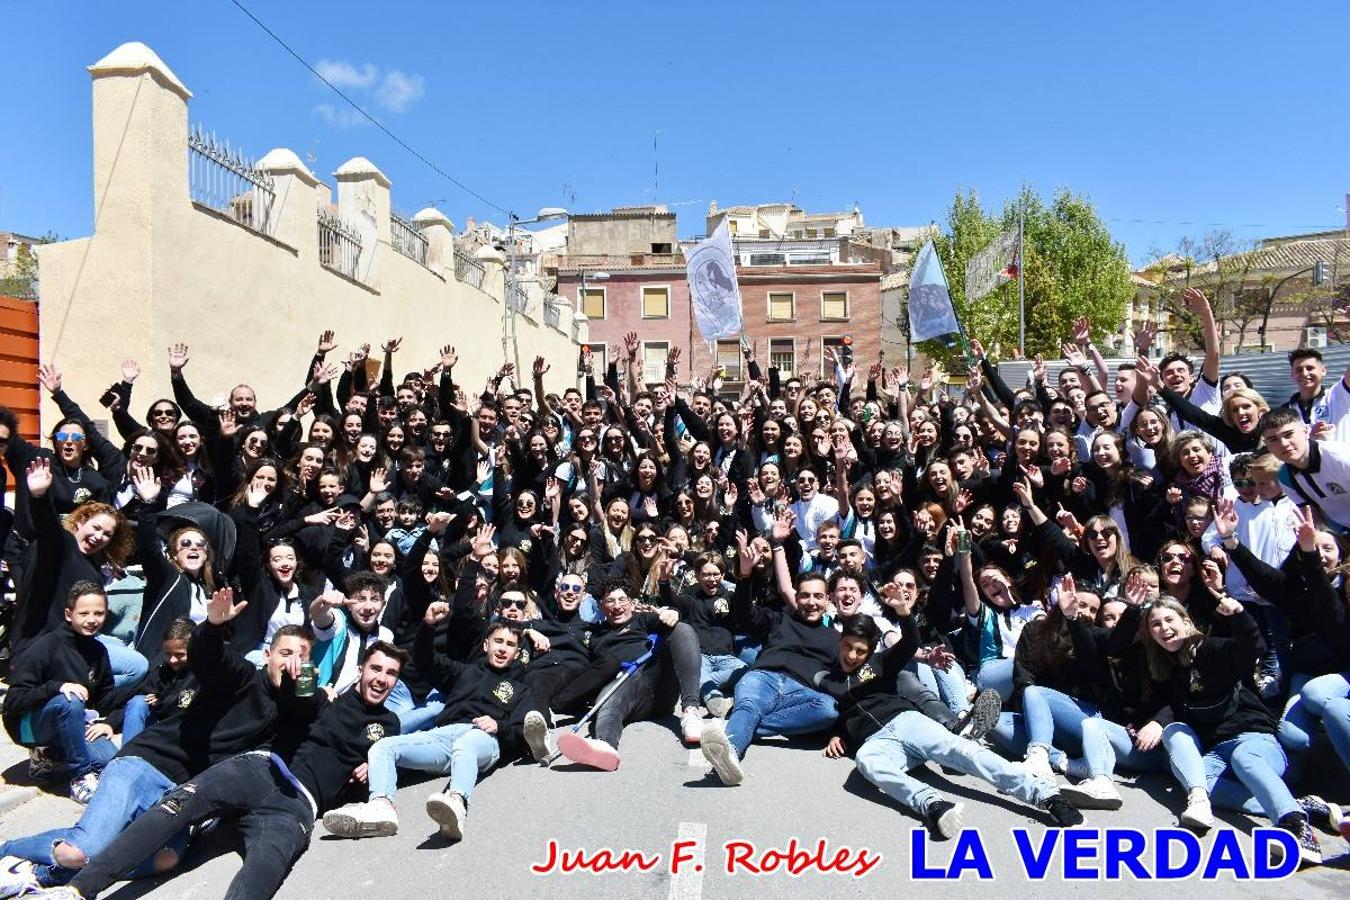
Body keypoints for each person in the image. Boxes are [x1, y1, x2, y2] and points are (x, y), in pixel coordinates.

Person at [0, 592, 314, 895]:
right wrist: (213, 626)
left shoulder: (292, 710)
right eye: (286, 654)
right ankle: (8, 851)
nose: (293, 663)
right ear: (268, 655)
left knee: (166, 859)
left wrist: (308, 692)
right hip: (145, 765)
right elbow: (210, 659)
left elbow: (313, 731)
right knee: (79, 852)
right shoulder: (242, 677)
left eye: (302, 657)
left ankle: (34, 873)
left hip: (180, 794)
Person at [49, 640, 404, 900]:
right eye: (376, 668)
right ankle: (79, 889)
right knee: (177, 805)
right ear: (361, 670)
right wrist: (302, 683)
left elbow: (371, 778)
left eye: (391, 674)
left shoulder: (388, 726)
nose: (381, 678)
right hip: (259, 768)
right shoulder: (325, 699)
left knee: (267, 867)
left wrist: (375, 767)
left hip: (297, 805)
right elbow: (299, 700)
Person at [819, 613, 1082, 838]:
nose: (852, 656)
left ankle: (1046, 796)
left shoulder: (879, 663)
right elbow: (833, 711)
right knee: (866, 762)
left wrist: (903, 612)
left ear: (870, 650)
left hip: (908, 722)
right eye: (848, 647)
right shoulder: (827, 681)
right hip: (878, 741)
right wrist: (836, 733)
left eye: (860, 650)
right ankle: (932, 805)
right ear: (840, 642)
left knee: (965, 752)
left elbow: (910, 642)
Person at [321, 614, 532, 840]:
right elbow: (424, 658)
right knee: (383, 747)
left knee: (466, 743)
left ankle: (457, 802)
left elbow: (523, 733)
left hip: (482, 739)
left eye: (510, 645)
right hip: (443, 738)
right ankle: (380, 807)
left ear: (517, 654)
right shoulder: (464, 672)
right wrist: (428, 625)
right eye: (498, 641)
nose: (502, 648)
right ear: (486, 645)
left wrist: (499, 726)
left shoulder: (521, 688)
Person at [700, 517, 841, 786]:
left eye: (818, 596)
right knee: (751, 703)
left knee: (828, 709)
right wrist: (744, 576)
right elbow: (743, 615)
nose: (811, 602)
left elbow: (841, 686)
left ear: (827, 600)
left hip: (801, 691)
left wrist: (842, 734)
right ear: (796, 597)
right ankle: (729, 753)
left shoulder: (834, 639)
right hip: (763, 678)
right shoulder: (780, 618)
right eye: (805, 596)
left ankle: (740, 726)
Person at [2, 582, 117, 803]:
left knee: (108, 761)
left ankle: (49, 754)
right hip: (28, 725)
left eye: (99, 613)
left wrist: (111, 721)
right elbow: (13, 702)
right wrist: (57, 687)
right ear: (68, 614)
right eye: (83, 613)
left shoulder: (98, 651)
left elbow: (107, 697)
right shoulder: (45, 647)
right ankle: (80, 777)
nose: (91, 619)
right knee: (70, 701)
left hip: (72, 721)